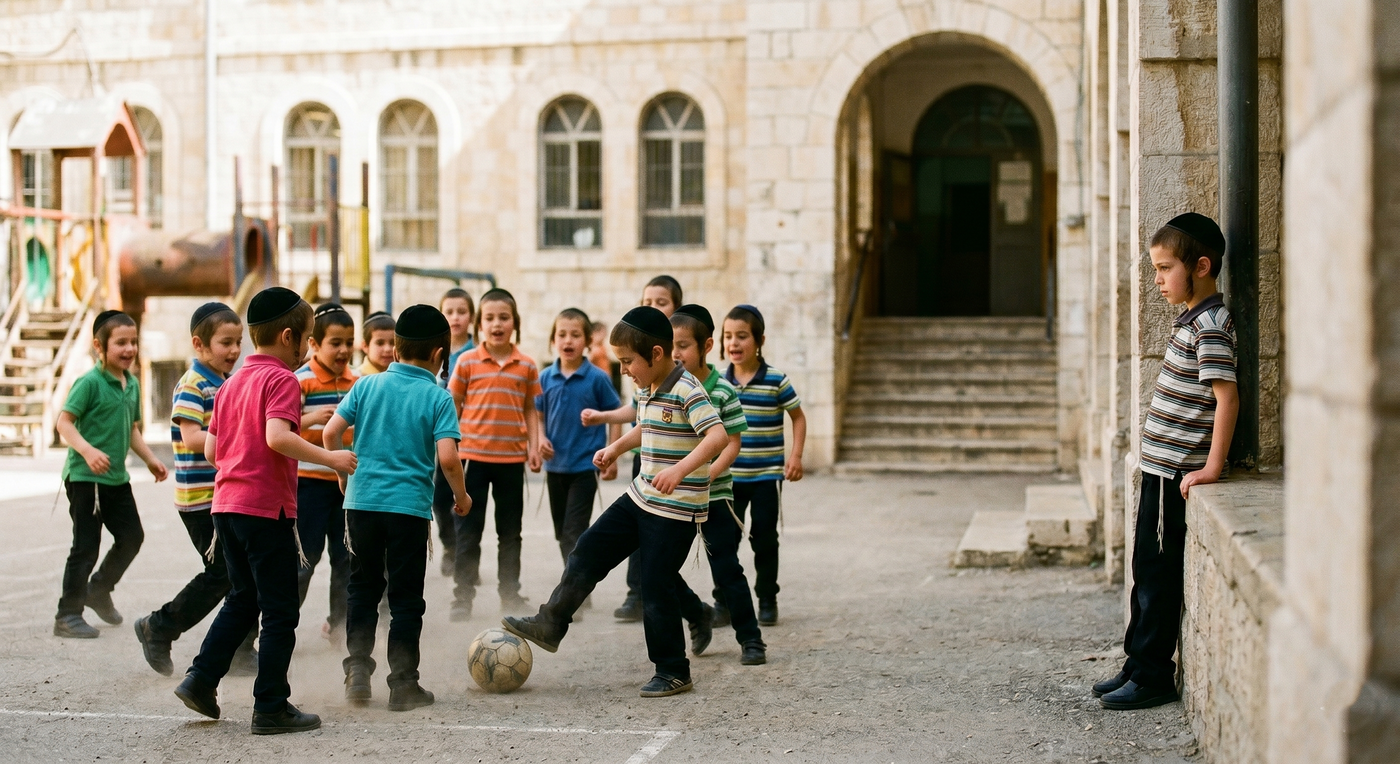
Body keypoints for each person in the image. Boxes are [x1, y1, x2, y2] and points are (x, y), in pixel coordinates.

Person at [503, 306, 729, 697]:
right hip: (641, 497)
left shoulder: (687, 388)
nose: (623, 369)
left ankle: (674, 669)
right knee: (588, 549)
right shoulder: (649, 387)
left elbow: (717, 437)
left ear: (656, 354)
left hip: (676, 510)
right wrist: (617, 449)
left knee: (655, 585)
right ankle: (551, 622)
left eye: (628, 361)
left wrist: (679, 470)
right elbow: (646, 426)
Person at [173, 287, 357, 734]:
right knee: (279, 611)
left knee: (242, 598)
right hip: (264, 511)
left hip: (225, 507)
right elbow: (277, 436)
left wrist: (242, 461)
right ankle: (271, 706)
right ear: (290, 337)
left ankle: (200, 679)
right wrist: (331, 457)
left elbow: (214, 451)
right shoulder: (281, 380)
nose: (309, 348)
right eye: (309, 339)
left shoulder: (231, 382)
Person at [1095, 213, 1238, 711]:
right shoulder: (1191, 321)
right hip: (1157, 473)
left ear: (1200, 266)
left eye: (1163, 268)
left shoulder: (1212, 328)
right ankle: (1137, 664)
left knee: (1157, 580)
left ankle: (1154, 674)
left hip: (1175, 473)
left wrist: (1212, 466)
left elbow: (1227, 398)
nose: (1156, 280)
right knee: (1144, 571)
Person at [324, 304, 471, 712]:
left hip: (362, 506)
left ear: (396, 348)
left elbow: (332, 432)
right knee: (406, 597)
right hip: (408, 511)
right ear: (440, 355)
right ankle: (404, 684)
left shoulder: (366, 386)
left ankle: (357, 672)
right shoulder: (438, 398)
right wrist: (461, 497)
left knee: (362, 588)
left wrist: (342, 474)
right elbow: (448, 459)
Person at [134, 303, 256, 674]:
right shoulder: (194, 384)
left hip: (225, 496)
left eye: (238, 342)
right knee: (222, 574)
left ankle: (239, 649)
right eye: (225, 343)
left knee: (245, 574)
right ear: (199, 344)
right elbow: (190, 437)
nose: (235, 351)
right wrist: (240, 447)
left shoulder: (225, 382)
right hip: (200, 500)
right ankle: (159, 627)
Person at [52, 311, 169, 639]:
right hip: (86, 479)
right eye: (121, 342)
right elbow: (64, 423)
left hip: (116, 479)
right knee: (86, 546)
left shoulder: (130, 383)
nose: (129, 348)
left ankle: (99, 589)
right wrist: (87, 452)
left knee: (132, 536)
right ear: (99, 346)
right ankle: (67, 614)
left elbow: (131, 428)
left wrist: (149, 459)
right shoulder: (89, 383)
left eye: (133, 342)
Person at [666, 305, 766, 665]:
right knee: (657, 566)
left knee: (727, 569)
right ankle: (697, 613)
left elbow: (733, 441)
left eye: (684, 345)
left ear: (707, 346)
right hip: (674, 497)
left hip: (716, 495)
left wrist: (709, 473)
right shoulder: (666, 387)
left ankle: (751, 640)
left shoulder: (722, 390)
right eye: (670, 345)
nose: (675, 354)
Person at [582, 275, 683, 622]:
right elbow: (641, 412)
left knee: (662, 557)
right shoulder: (642, 364)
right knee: (637, 532)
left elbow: (711, 429)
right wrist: (606, 425)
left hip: (679, 474)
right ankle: (635, 593)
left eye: (661, 302)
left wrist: (688, 469)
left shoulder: (678, 369)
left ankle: (697, 612)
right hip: (649, 461)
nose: (652, 308)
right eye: (646, 302)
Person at [447, 288, 542, 620]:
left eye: (504, 317)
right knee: (468, 531)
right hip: (472, 458)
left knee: (509, 532)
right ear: (479, 324)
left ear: (515, 322)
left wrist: (534, 445)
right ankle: (462, 598)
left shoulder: (527, 365)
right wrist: (448, 448)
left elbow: (531, 410)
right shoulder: (467, 362)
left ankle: (510, 595)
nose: (497, 324)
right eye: (489, 318)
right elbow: (452, 406)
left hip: (512, 461)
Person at [723, 304, 806, 627]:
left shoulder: (776, 380)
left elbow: (798, 418)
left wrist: (795, 456)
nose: (734, 343)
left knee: (764, 537)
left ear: (759, 340)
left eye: (742, 336)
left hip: (767, 476)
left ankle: (767, 597)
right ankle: (724, 600)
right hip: (729, 477)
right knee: (725, 540)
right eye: (728, 336)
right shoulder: (719, 383)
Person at [294, 303, 359, 644]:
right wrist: (312, 419)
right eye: (336, 342)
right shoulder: (299, 381)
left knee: (346, 558)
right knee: (304, 561)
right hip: (309, 485)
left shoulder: (360, 382)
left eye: (349, 341)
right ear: (314, 345)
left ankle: (340, 626)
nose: (344, 350)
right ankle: (280, 627)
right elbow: (279, 429)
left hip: (348, 486)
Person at [537, 308, 622, 571]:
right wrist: (539, 439)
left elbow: (616, 415)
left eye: (575, 335)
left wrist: (612, 455)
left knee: (575, 531)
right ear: (553, 341)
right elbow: (537, 414)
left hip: (586, 467)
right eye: (561, 334)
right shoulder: (544, 378)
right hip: (555, 467)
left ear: (587, 341)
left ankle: (573, 591)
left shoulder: (597, 378)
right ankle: (576, 582)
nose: (568, 340)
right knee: (562, 533)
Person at [431, 288, 476, 575]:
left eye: (462, 311)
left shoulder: (476, 354)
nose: (455, 317)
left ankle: (464, 555)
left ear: (472, 317)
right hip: (437, 435)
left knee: (464, 495)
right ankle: (450, 545)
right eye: (449, 311)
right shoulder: (434, 352)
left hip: (468, 436)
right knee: (438, 496)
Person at [358, 311, 396, 376]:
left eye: (393, 343)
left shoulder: (402, 378)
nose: (387, 349)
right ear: (365, 346)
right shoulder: (356, 379)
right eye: (380, 343)